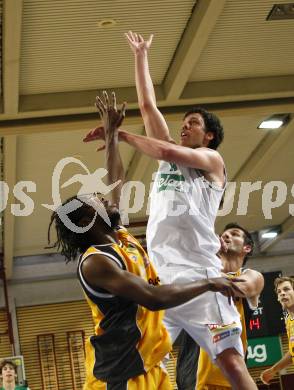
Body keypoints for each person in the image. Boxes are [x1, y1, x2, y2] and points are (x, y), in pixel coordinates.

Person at [49, 92, 244, 390]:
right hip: (119, 376)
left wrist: (113, 135)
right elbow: (154, 299)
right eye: (96, 201)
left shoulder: (120, 237)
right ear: (87, 221)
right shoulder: (97, 262)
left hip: (148, 366)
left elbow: (116, 180)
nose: (105, 197)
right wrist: (209, 283)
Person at [179, 223, 263, 390]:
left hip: (228, 379)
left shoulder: (252, 276)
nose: (226, 236)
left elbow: (240, 287)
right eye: (224, 234)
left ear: (247, 247)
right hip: (192, 377)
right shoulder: (201, 275)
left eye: (234, 234)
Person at [260, 276, 294, 385]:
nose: (282, 293)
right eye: (279, 292)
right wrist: (273, 370)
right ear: (278, 298)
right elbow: (292, 352)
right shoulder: (288, 321)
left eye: (287, 289)